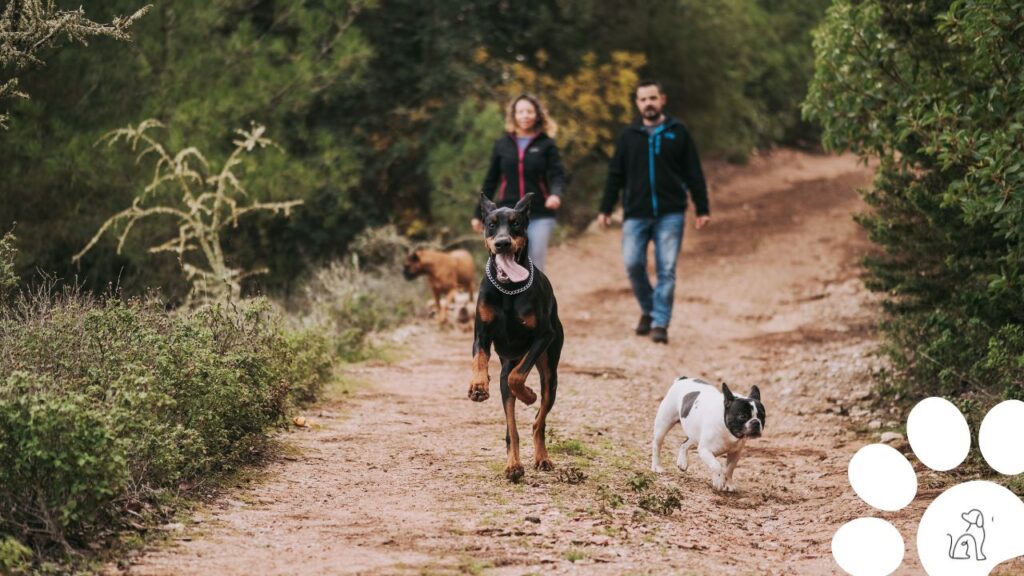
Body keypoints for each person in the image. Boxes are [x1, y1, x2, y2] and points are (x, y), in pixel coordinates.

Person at [598, 80, 710, 345]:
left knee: (666, 268)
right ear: (637, 103)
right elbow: (616, 174)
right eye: (642, 99)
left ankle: (660, 322)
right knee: (633, 263)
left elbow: (694, 172)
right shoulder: (628, 136)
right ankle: (649, 309)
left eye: (652, 98)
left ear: (662, 99)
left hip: (670, 213)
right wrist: (605, 207)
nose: (648, 103)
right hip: (635, 213)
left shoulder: (678, 131)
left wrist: (702, 207)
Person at [473, 94, 566, 272]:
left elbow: (557, 174)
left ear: (537, 115)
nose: (525, 115)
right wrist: (478, 214)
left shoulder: (547, 144)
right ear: (514, 115)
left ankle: (534, 299)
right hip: (506, 215)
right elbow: (491, 179)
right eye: (520, 111)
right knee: (505, 258)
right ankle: (510, 297)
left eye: (529, 111)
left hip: (539, 212)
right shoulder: (502, 144)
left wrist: (555, 194)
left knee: (534, 260)